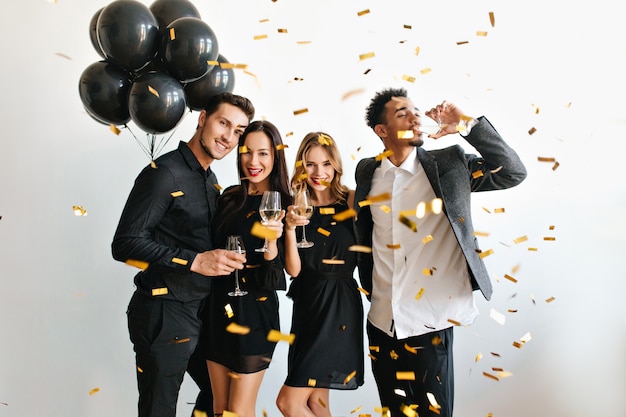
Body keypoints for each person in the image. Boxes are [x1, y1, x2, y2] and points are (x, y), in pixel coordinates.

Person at [353, 87, 527, 417]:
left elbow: (513, 172)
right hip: (380, 322)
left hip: (429, 322)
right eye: (403, 113)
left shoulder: (450, 165)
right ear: (382, 131)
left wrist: (465, 123)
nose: (415, 116)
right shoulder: (366, 171)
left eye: (416, 111)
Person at [111, 92, 255, 417]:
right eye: (223, 123)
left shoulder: (210, 179)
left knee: (223, 393)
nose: (229, 137)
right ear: (203, 118)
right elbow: (125, 243)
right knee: (159, 411)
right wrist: (194, 261)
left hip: (200, 313)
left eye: (238, 131)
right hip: (163, 312)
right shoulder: (164, 173)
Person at [201, 120, 292, 417]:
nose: (254, 161)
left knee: (239, 410)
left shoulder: (285, 206)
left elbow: (278, 278)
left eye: (263, 154)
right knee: (219, 409)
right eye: (247, 152)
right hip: (217, 310)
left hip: (255, 314)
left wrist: (272, 244)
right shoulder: (227, 198)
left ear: (275, 157)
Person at [276, 132, 365, 417]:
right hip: (308, 305)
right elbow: (293, 270)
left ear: (336, 166)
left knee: (288, 403)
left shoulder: (350, 201)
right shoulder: (295, 207)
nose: (319, 172)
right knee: (316, 402)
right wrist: (289, 229)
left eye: (326, 164)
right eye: (311, 164)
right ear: (301, 166)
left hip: (338, 305)